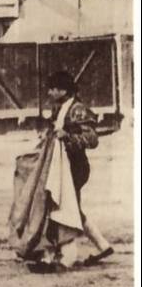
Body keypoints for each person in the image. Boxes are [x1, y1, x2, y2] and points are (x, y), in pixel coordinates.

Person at [31, 71, 114, 271]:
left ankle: (63, 256)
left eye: (53, 88)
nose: (49, 92)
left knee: (63, 208)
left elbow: (92, 139)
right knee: (69, 207)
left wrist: (67, 136)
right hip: (62, 166)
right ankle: (102, 246)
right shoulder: (60, 108)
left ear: (63, 90)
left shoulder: (77, 109)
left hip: (75, 167)